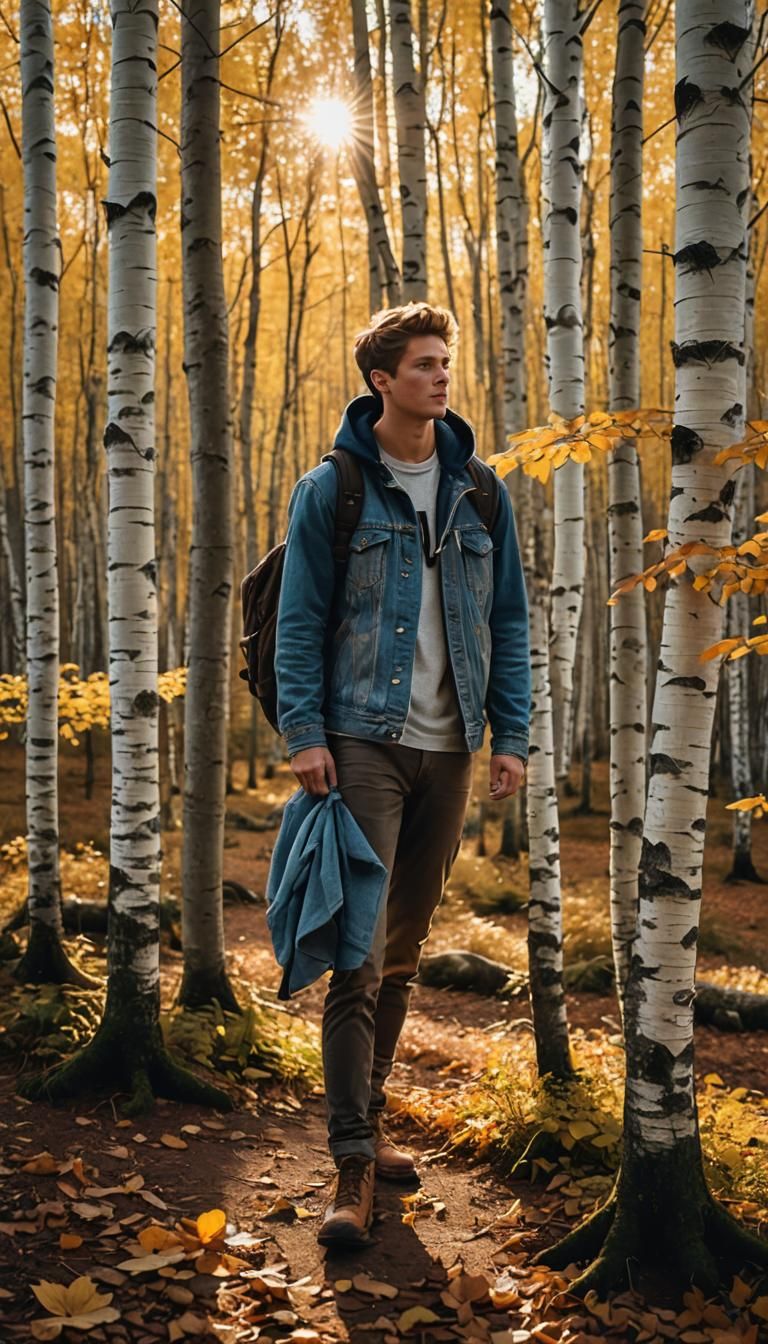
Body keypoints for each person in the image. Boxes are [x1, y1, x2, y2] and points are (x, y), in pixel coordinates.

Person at [274, 302, 530, 1247]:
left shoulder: (479, 491)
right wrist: (306, 733)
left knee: (406, 951)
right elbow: (300, 619)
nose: (442, 377)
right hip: (362, 743)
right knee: (357, 947)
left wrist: (513, 732)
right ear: (383, 380)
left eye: (445, 363)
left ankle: (369, 1118)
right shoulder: (334, 488)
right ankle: (349, 1162)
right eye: (425, 364)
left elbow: (508, 621)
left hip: (451, 745)